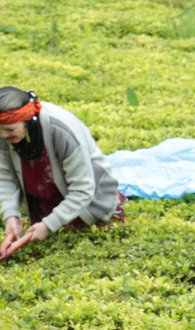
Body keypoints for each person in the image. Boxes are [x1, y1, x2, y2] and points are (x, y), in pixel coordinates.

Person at [0, 87, 122, 258]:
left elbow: (82, 189)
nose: (4, 135)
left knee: (87, 218)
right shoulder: (3, 131)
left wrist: (48, 225)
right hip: (48, 188)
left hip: (90, 196)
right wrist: (10, 215)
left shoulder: (61, 131)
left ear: (28, 120)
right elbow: (5, 177)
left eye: (10, 130)